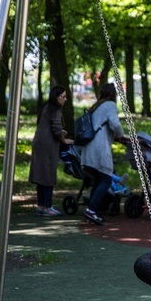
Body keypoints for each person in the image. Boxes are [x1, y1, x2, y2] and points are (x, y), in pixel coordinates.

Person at [80, 83, 129, 225]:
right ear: (113, 94)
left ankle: (91, 211)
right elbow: (116, 125)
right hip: (99, 149)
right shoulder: (109, 105)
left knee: (98, 180)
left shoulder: (96, 107)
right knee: (106, 180)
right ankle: (91, 210)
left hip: (89, 149)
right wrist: (121, 136)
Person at [28, 86, 74, 218]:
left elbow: (48, 126)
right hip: (48, 145)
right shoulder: (56, 109)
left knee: (40, 176)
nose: (65, 99)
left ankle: (41, 206)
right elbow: (56, 128)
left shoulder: (46, 107)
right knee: (48, 175)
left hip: (38, 142)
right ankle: (47, 207)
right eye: (63, 97)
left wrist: (60, 132)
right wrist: (64, 140)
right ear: (56, 96)